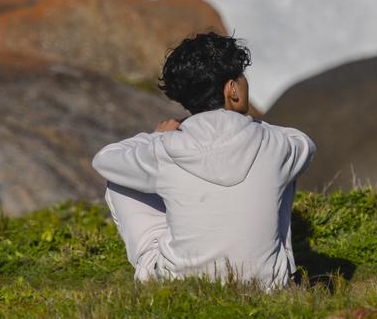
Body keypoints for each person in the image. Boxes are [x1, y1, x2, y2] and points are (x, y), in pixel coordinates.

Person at [92, 32, 315, 289]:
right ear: (233, 90)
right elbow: (305, 144)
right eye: (241, 78)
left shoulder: (164, 149)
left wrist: (155, 137)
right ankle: (281, 274)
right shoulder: (275, 143)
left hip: (181, 284)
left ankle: (155, 275)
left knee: (119, 180)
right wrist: (251, 125)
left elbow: (105, 160)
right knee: (285, 171)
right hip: (267, 286)